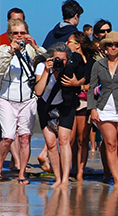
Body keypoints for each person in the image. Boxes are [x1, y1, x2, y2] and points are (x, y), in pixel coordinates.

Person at [0, 19, 46, 183]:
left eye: (22, 33)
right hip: (7, 99)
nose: (19, 36)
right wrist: (10, 53)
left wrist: (35, 46)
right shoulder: (3, 50)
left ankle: (21, 174)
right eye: (15, 33)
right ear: (9, 35)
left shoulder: (31, 51)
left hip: (28, 99)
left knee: (25, 137)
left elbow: (48, 59)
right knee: (7, 137)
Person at [87, 31, 118, 188]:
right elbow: (92, 87)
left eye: (116, 45)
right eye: (110, 44)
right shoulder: (98, 64)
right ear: (105, 47)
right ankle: (116, 180)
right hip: (104, 108)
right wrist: (92, 109)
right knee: (110, 145)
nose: (113, 47)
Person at [34, 42, 84, 188]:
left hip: (65, 106)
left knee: (63, 140)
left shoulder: (69, 68)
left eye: (63, 60)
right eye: (56, 59)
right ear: (50, 58)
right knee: (50, 143)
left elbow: (84, 78)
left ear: (67, 60)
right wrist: (46, 71)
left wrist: (76, 83)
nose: (59, 62)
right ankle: (57, 178)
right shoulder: (42, 67)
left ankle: (65, 179)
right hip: (45, 106)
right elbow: (38, 91)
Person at [66, 31, 96, 181]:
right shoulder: (68, 60)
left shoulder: (91, 63)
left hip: (85, 102)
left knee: (82, 140)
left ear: (77, 45)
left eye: (69, 41)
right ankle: (70, 169)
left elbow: (96, 85)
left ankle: (80, 173)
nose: (67, 44)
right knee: (69, 140)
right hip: (70, 102)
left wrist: (79, 86)